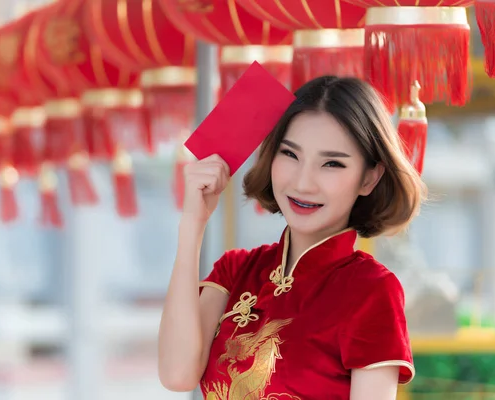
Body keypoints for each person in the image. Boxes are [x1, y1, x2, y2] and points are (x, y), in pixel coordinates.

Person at [158, 75, 426, 400]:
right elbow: (177, 374)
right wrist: (192, 225)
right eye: (290, 154)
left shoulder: (371, 290)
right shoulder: (236, 270)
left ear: (369, 178)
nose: (303, 182)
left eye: (331, 164)